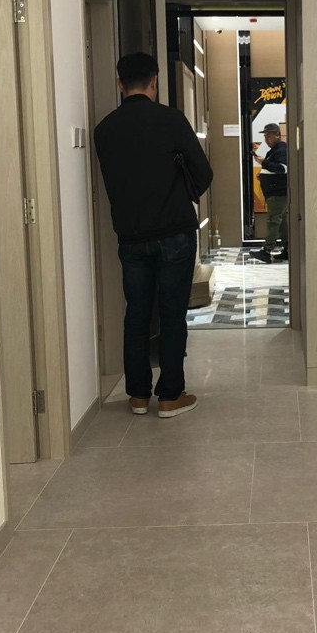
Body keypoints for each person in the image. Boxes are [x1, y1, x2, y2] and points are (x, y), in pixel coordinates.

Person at [94, 52, 213, 419]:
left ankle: (138, 396)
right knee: (173, 313)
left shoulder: (104, 129)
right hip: (174, 231)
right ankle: (171, 395)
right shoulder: (171, 120)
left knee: (137, 314)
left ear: (120, 83)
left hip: (131, 236)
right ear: (155, 81)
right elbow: (203, 173)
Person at [250, 122, 288, 263]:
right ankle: (288, 250)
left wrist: (264, 163)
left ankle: (266, 251)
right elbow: (276, 169)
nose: (266, 140)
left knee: (274, 221)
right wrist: (264, 174)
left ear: (278, 135)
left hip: (278, 193)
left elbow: (283, 168)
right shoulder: (275, 150)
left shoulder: (281, 150)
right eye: (265, 137)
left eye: (269, 136)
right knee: (282, 222)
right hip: (277, 192)